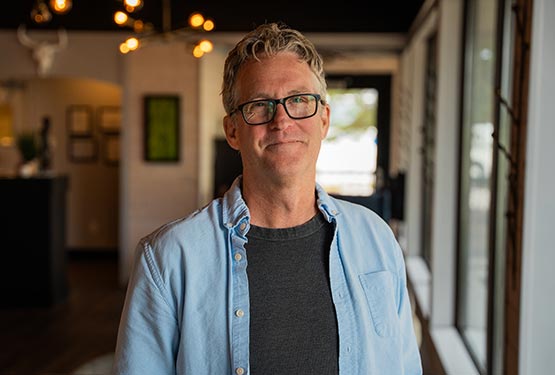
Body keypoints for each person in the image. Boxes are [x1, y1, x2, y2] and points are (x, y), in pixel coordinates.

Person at [112, 22, 422, 375]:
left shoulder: (377, 240)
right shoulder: (169, 258)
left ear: (324, 120)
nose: (282, 120)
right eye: (260, 105)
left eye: (300, 100)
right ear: (232, 130)